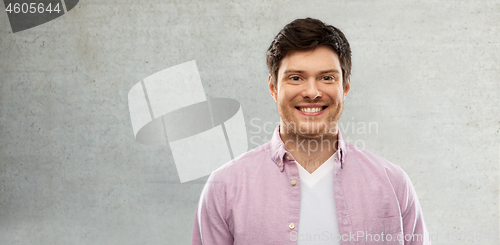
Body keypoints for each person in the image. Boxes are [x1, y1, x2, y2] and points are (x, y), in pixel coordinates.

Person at [191, 17, 430, 245]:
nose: (312, 92)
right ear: (273, 87)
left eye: (326, 77)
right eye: (296, 78)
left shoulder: (393, 183)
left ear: (345, 86)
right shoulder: (224, 186)